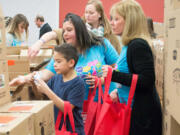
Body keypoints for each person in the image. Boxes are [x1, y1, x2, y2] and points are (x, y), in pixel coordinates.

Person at [10, 13, 118, 102]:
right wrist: (24, 78)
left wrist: (103, 79)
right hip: (80, 109)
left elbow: (118, 68)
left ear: (80, 31)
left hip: (105, 104)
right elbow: (45, 74)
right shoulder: (63, 53)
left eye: (69, 30)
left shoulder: (101, 44)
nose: (65, 34)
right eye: (64, 31)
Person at [102, 1, 162, 135]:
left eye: (116, 19)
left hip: (143, 117)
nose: (111, 23)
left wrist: (113, 75)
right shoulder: (128, 45)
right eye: (112, 19)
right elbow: (133, 75)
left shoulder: (137, 45)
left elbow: (146, 80)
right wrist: (118, 92)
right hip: (134, 112)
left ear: (130, 21)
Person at [35, 44, 85, 135]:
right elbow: (42, 96)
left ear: (71, 63)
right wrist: (35, 83)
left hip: (72, 131)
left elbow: (67, 109)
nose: (54, 65)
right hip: (58, 129)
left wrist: (46, 89)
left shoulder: (78, 83)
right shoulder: (56, 78)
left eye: (58, 61)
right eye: (54, 61)